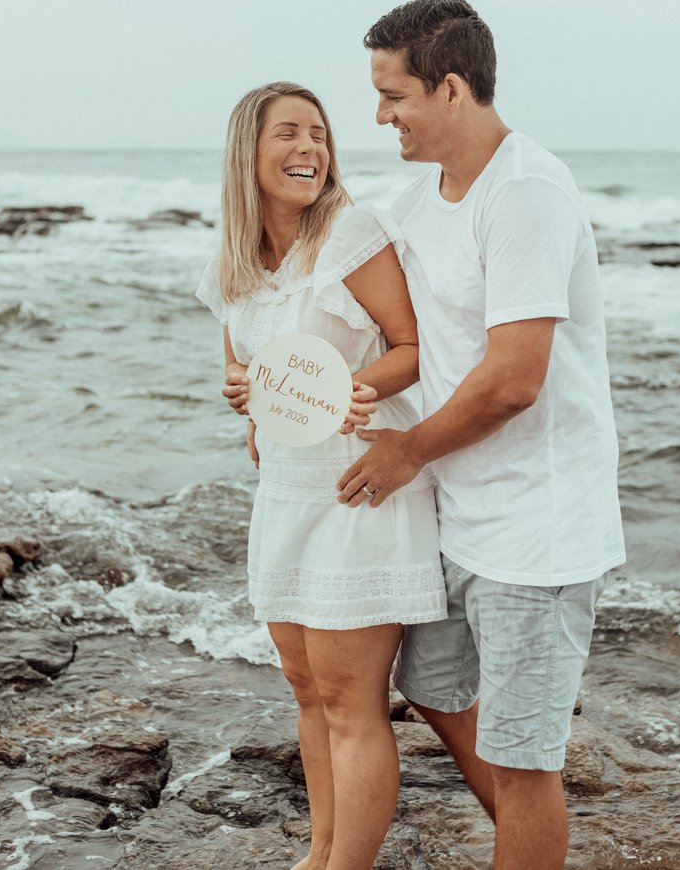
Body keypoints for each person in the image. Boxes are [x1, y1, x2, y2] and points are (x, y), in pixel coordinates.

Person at [336, 0, 627, 869]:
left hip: (537, 532)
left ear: (452, 88)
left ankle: (528, 840)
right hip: (456, 515)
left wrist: (405, 451)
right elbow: (377, 323)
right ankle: (525, 846)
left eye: (394, 94)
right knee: (428, 689)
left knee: (524, 758)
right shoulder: (418, 197)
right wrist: (273, 385)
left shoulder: (527, 194)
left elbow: (514, 380)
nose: (380, 114)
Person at [195, 81, 446, 870]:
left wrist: (357, 390)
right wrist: (244, 402)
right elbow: (243, 372)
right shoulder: (235, 263)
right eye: (288, 135)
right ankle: (322, 855)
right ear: (249, 152)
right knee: (307, 691)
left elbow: (412, 347)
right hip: (288, 493)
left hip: (358, 484)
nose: (310, 150)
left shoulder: (350, 234)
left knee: (351, 700)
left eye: (318, 135)